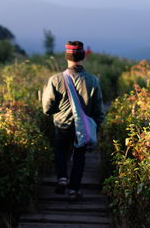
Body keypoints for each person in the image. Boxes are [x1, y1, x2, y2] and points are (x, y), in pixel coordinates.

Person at [42, 40, 105, 200]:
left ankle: (62, 178)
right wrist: (95, 126)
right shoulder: (92, 80)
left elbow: (47, 107)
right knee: (79, 156)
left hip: (62, 125)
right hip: (83, 127)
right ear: (83, 56)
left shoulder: (55, 79)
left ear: (66, 56)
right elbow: (99, 110)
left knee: (61, 151)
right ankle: (74, 190)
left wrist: (58, 112)